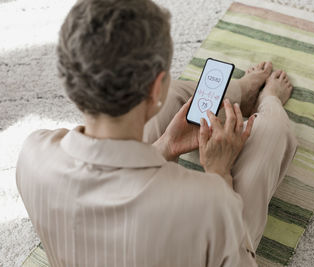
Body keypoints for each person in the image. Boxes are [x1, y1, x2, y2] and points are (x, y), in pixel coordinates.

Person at [16, 0, 297, 266]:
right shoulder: (209, 202)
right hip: (202, 233)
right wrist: (219, 173)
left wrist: (165, 145)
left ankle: (240, 92)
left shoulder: (32, 154)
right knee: (274, 129)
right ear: (155, 87)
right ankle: (267, 100)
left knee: (177, 97)